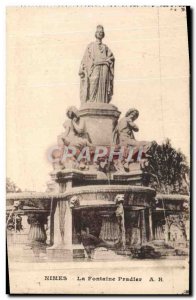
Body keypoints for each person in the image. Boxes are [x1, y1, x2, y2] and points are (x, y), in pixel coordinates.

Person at [79, 25, 115, 103]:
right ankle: (91, 101)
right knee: (93, 82)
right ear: (95, 33)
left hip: (104, 67)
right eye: (98, 32)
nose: (100, 33)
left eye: (101, 32)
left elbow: (111, 57)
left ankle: (103, 102)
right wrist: (81, 68)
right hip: (94, 66)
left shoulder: (105, 47)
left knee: (104, 85)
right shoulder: (91, 46)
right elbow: (85, 58)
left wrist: (108, 61)